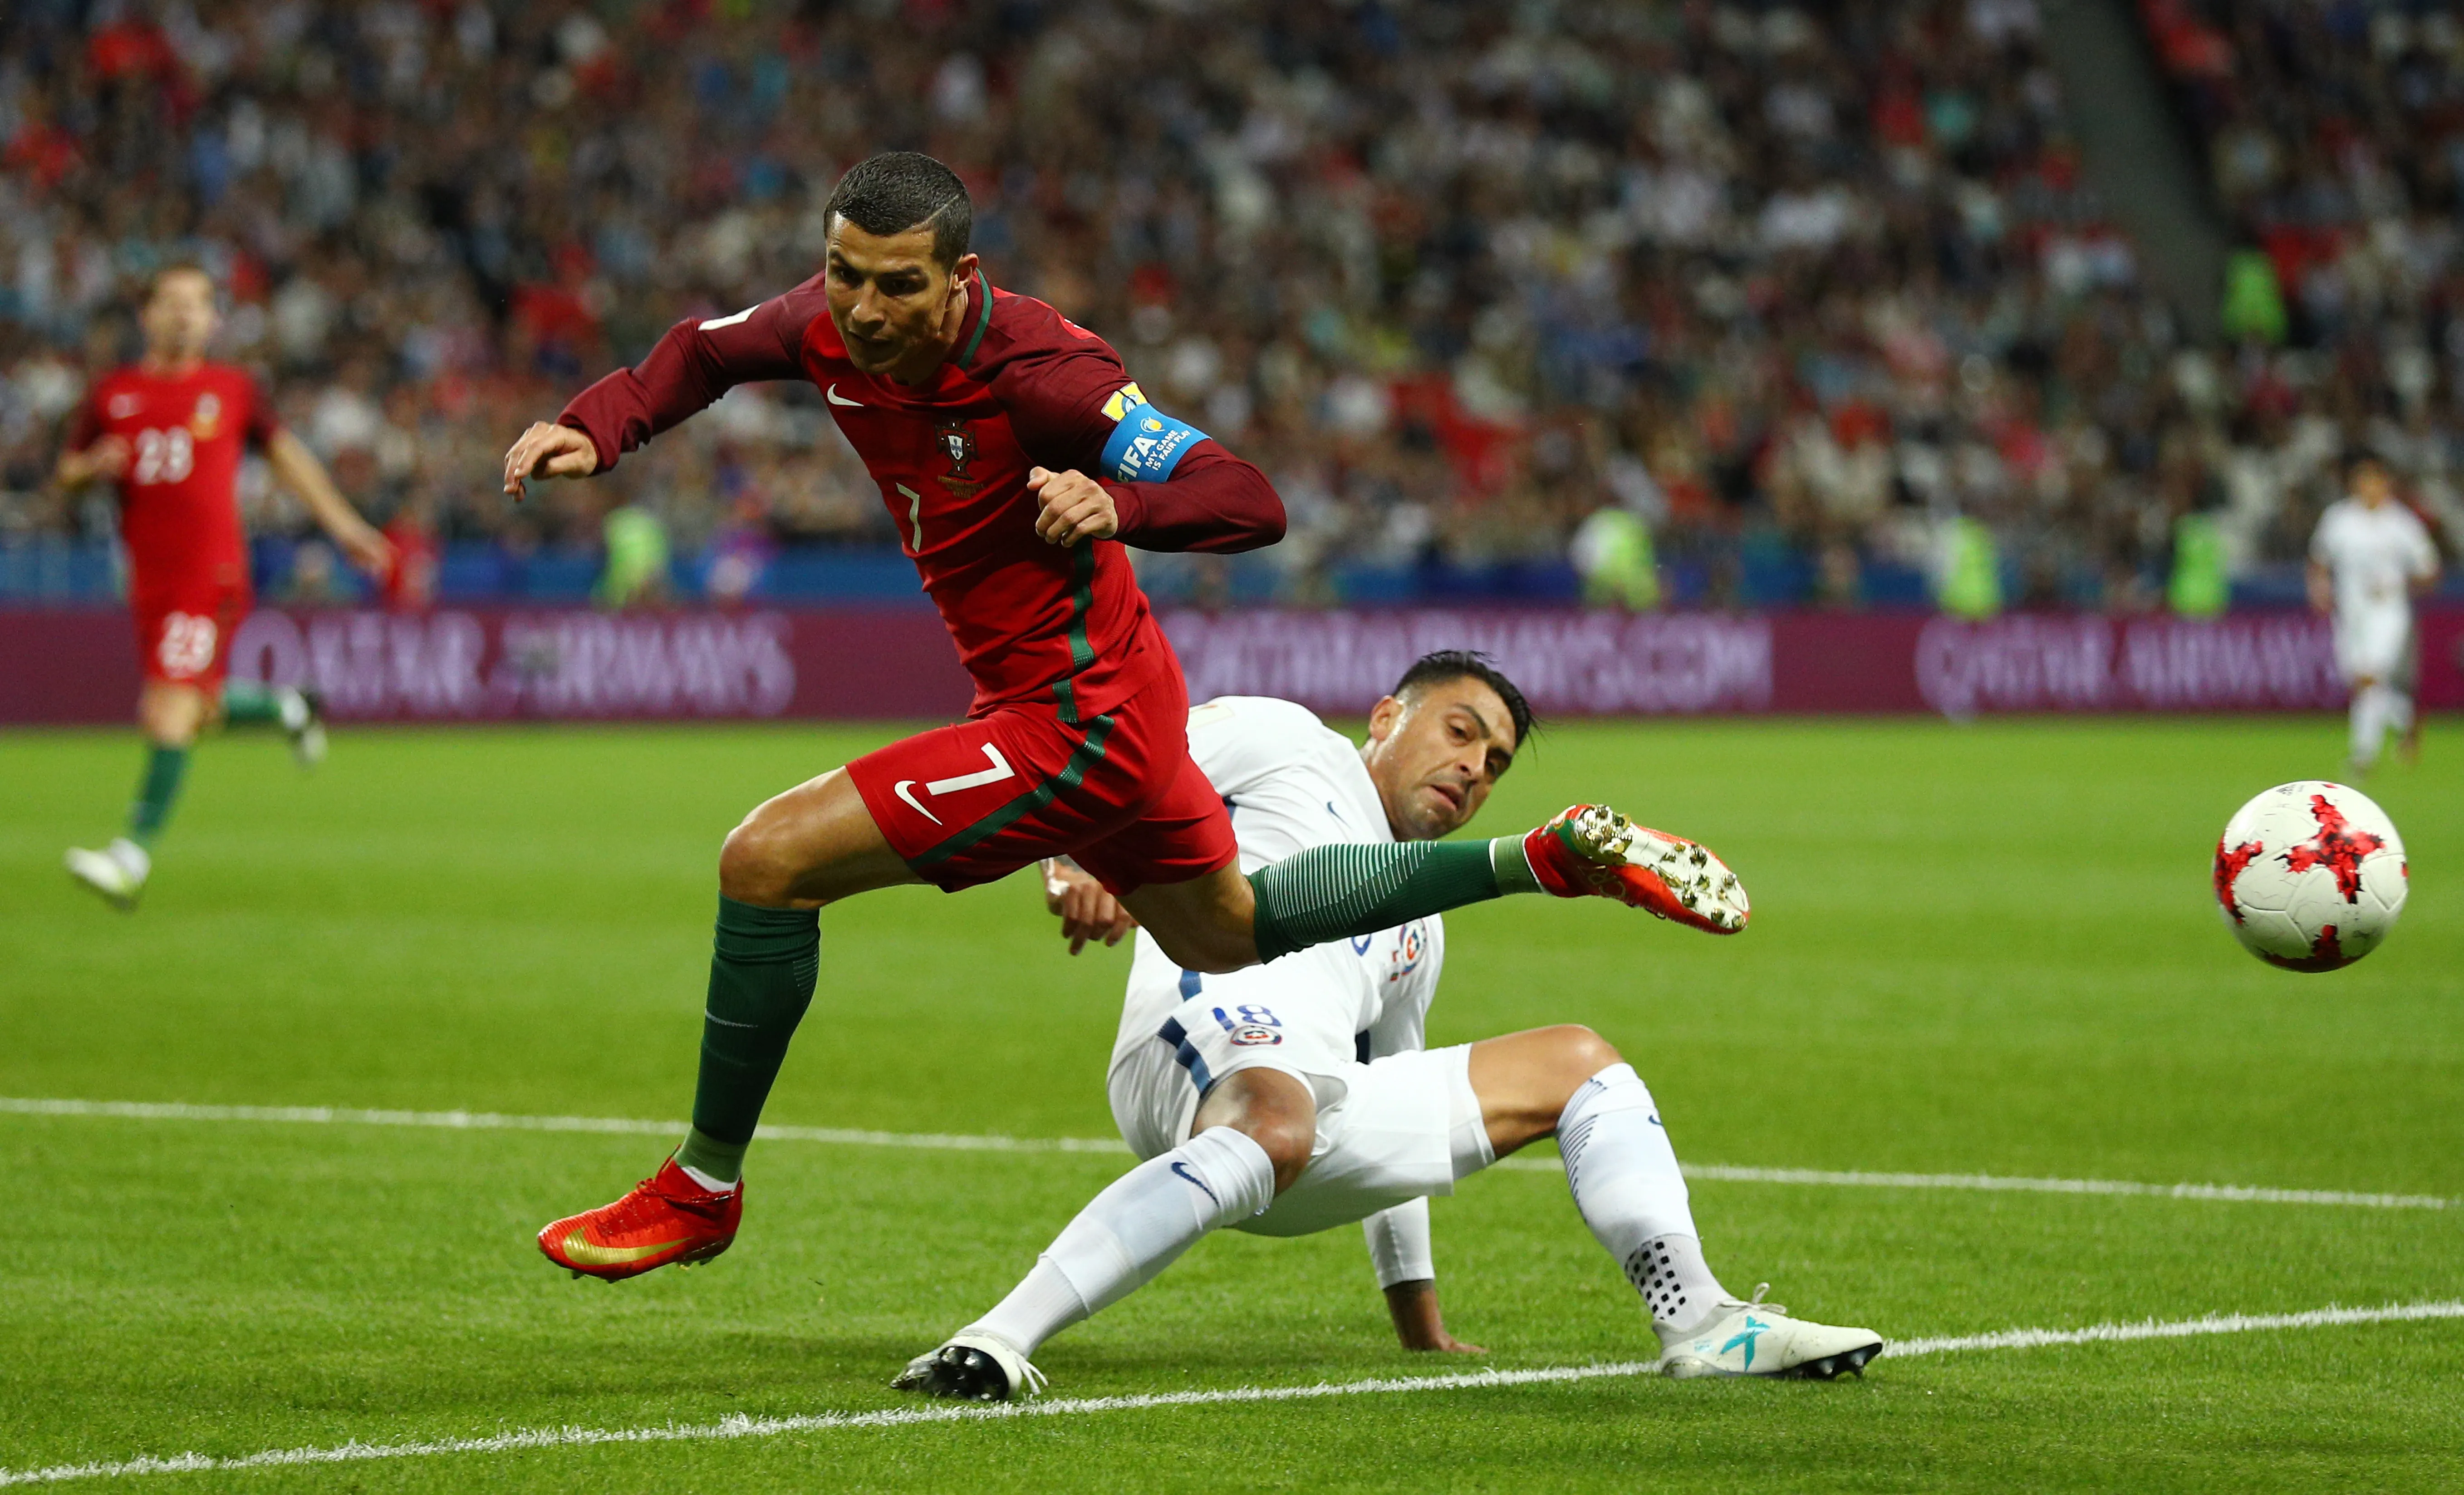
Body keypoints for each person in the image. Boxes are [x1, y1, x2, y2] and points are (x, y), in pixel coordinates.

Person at [505, 153, 1751, 1282]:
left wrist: (1117, 504)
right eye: (841, 277)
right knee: (1229, 928)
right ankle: (1540, 858)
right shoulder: (828, 328)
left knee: (765, 857)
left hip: (1077, 718)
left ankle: (702, 1186)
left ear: (961, 279)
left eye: (894, 286)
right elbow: (706, 350)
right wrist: (596, 425)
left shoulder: (1048, 375)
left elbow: (1242, 496)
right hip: (1120, 703)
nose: (861, 311)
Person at [893, 654, 1874, 1401]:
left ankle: (1698, 1320)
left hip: (1304, 1122)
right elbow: (1109, 765)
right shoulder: (1284, 741)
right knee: (1279, 1115)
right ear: (1386, 717)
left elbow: (1397, 1098)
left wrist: (1420, 1325)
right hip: (1191, 1051)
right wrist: (1074, 865)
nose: (1471, 769)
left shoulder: (1421, 927)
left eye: (1491, 765)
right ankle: (995, 1339)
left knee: (1583, 1065)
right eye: (1459, 732)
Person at [57, 265, 393, 910]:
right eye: (171, 302)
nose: (184, 314)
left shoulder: (232, 390)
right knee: (193, 708)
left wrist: (344, 524)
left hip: (209, 577)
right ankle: (288, 707)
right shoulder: (113, 395)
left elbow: (288, 456)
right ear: (146, 315)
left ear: (214, 321)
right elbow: (66, 469)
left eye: (198, 304)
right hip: (149, 584)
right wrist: (89, 470)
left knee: (168, 709)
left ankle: (130, 858)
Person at [2308, 454, 2440, 775]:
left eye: (2375, 481)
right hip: (2350, 612)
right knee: (2359, 681)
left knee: (2370, 676)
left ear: (2386, 485)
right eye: (2363, 481)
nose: (2369, 488)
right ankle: (2406, 717)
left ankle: (2362, 756)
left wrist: (2398, 585)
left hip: (2388, 612)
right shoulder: (2339, 519)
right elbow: (2320, 559)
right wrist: (2319, 589)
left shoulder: (2402, 524)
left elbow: (2429, 570)